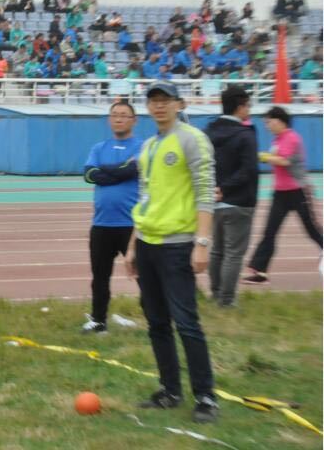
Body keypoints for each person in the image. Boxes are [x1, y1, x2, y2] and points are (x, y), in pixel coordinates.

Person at [126, 82, 219, 424]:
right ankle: (169, 390)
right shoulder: (148, 146)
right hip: (148, 243)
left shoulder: (192, 139)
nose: (159, 105)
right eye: (153, 100)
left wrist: (202, 243)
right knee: (156, 322)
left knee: (186, 323)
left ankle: (206, 397)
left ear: (180, 104)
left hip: (178, 245)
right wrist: (133, 245)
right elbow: (145, 197)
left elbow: (205, 192)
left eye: (165, 100)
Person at [81, 101, 143, 333]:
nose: (118, 119)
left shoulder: (143, 146)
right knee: (99, 277)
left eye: (124, 115)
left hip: (131, 225)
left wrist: (105, 170)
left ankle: (156, 320)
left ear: (134, 120)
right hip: (102, 224)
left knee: (144, 275)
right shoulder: (99, 147)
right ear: (109, 119)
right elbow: (89, 174)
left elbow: (131, 170)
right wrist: (117, 170)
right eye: (115, 115)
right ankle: (98, 321)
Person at [243, 107, 322, 284]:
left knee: (311, 229)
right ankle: (260, 272)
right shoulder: (277, 139)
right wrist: (267, 156)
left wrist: (263, 156)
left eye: (269, 122)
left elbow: (283, 161)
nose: (267, 126)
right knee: (269, 231)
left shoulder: (291, 137)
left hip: (298, 191)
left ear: (280, 121)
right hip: (281, 194)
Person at [205, 86, 258, 306]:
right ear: (240, 107)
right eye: (248, 106)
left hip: (214, 200)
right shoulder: (245, 135)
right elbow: (248, 170)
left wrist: (215, 188)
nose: (249, 110)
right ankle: (226, 301)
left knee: (217, 250)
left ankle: (216, 293)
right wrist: (225, 188)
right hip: (239, 201)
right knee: (234, 253)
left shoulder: (209, 131)